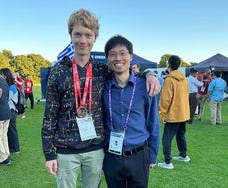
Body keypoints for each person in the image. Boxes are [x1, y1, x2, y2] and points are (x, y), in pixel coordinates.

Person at [41, 8, 160, 188]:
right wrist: (49, 153)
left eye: (88, 35)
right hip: (66, 150)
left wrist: (149, 74)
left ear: (95, 37)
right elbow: (49, 115)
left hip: (96, 149)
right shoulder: (58, 72)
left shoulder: (101, 70)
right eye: (78, 34)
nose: (83, 40)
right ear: (70, 35)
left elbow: (127, 72)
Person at [102, 35, 160, 188]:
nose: (118, 58)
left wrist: (152, 155)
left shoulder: (146, 86)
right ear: (107, 58)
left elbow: (153, 122)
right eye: (112, 54)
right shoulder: (102, 86)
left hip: (139, 155)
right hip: (111, 156)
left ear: (131, 56)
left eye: (123, 53)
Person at [158, 55, 190, 170]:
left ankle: (167, 162)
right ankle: (183, 155)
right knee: (180, 135)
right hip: (183, 113)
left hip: (174, 114)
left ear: (169, 65)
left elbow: (165, 99)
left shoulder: (169, 80)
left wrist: (162, 113)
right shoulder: (184, 79)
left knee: (166, 138)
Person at [0, 68, 20, 154]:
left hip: (11, 110)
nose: (0, 76)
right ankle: (10, 146)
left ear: (5, 76)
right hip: (9, 110)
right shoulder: (8, 86)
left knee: (12, 129)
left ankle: (15, 148)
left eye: (1, 74)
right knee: (8, 130)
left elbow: (7, 98)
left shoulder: (12, 87)